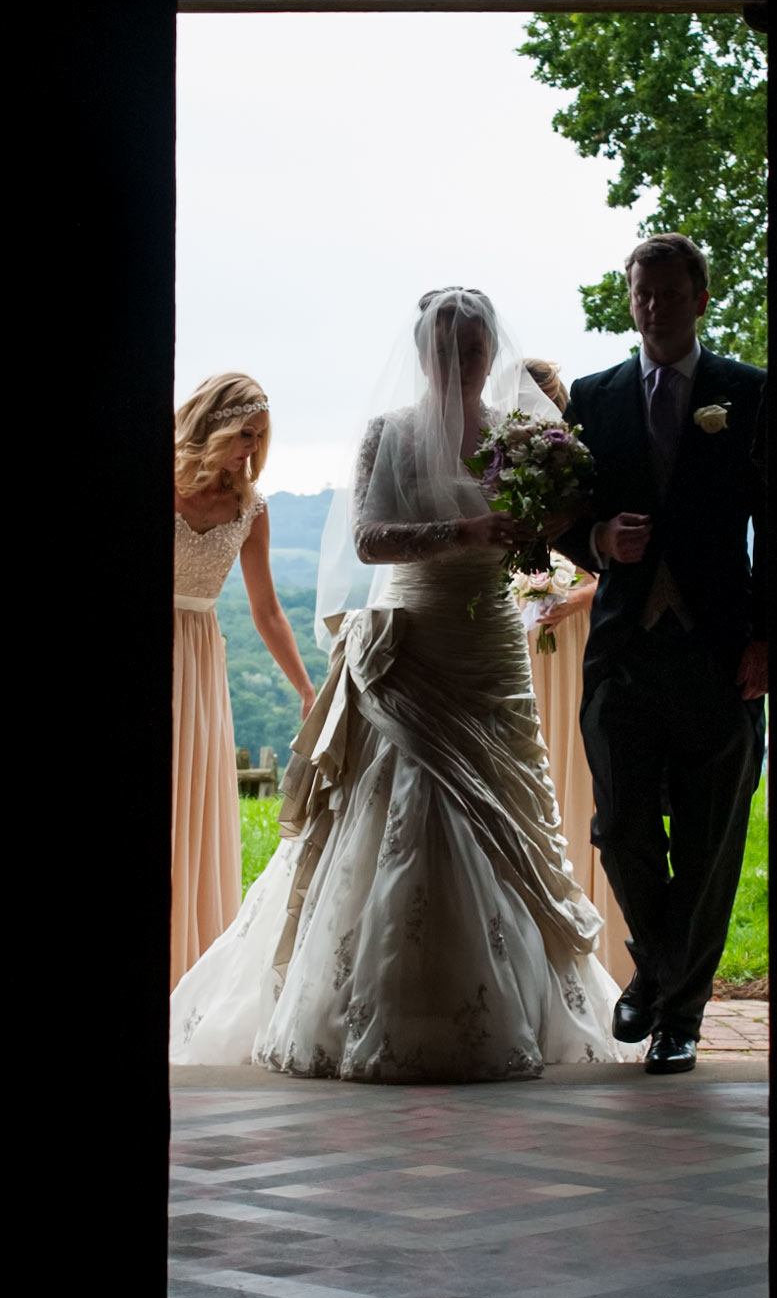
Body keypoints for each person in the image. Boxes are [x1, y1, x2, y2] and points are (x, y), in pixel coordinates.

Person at [169, 289, 635, 1079]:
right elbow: (369, 538)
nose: (463, 362)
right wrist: (466, 530)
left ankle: (516, 1002)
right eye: (448, 349)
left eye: (475, 348)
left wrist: (546, 530)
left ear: (490, 351)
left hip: (489, 644)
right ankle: (379, 1003)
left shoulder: (527, 438)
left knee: (505, 812)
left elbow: (559, 529)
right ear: (424, 354)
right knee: (405, 806)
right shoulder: (388, 435)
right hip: (410, 646)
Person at [557, 233, 768, 1074]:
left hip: (723, 651)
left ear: (700, 299)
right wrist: (597, 537)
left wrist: (766, 637)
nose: (655, 309)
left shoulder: (747, 394)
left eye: (671, 294)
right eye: (643, 294)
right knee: (621, 827)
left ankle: (677, 1015)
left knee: (713, 836)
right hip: (622, 647)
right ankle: (659, 968)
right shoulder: (592, 396)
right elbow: (562, 512)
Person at [172, 373, 316, 988]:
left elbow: (267, 610)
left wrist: (308, 690)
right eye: (244, 434)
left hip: (202, 658)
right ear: (213, 425)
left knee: (193, 801)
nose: (250, 450)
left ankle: (187, 967)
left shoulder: (250, 509)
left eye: (259, 439)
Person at [517, 359, 631, 988]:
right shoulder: (506, 462)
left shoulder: (579, 461)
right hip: (526, 637)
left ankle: (604, 956)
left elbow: (601, 556)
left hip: (580, 629)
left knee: (582, 774)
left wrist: (574, 596)